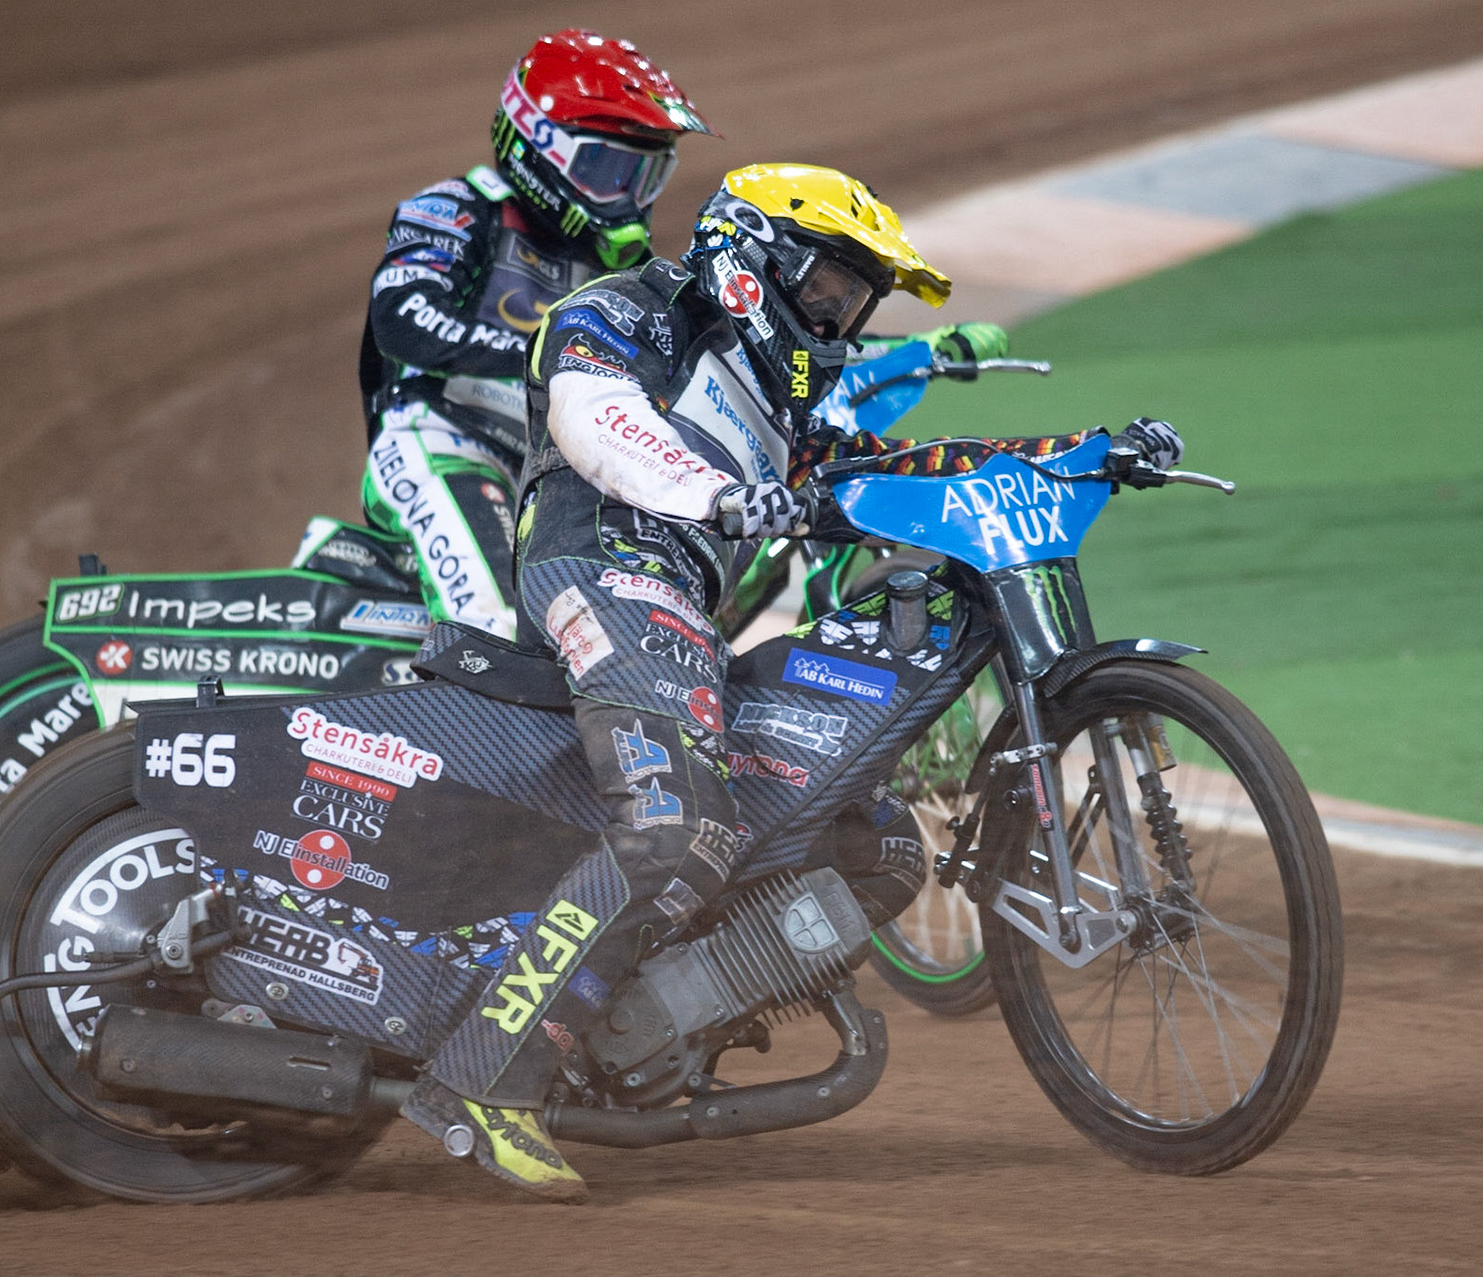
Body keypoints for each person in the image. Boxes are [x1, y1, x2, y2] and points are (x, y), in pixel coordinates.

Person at [400, 164, 1184, 1202]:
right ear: (750, 259)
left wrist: (1081, 453)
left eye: (853, 303)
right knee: (678, 830)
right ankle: (480, 1078)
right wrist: (718, 492)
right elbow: (595, 416)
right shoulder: (632, 308)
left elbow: (901, 468)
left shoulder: (780, 405)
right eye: (826, 289)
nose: (835, 319)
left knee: (878, 847)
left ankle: (648, 1026)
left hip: (679, 612)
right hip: (601, 570)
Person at [358, 29, 714, 640]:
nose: (627, 199)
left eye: (644, 176)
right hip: (444, 440)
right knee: (495, 630)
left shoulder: (628, 271)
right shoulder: (460, 207)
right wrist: (550, 356)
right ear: (537, 143)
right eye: (609, 169)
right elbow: (402, 316)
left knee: (601, 632)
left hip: (550, 479)